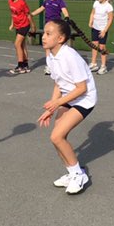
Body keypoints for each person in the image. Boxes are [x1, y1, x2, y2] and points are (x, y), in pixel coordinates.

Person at [37, 18, 97, 196]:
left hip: (84, 99)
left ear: (61, 38)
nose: (43, 37)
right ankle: (72, 172)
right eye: (44, 33)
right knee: (58, 136)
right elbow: (59, 84)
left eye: (49, 34)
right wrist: (51, 108)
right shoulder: (51, 57)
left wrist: (57, 103)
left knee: (56, 137)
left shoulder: (70, 56)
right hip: (68, 97)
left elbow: (82, 88)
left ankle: (79, 175)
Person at [30, 0, 70, 74]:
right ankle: (49, 65)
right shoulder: (47, 1)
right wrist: (31, 14)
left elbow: (65, 12)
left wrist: (66, 18)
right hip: (47, 26)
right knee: (47, 46)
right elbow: (40, 9)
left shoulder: (60, 2)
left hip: (56, 27)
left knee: (57, 46)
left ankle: (60, 64)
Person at [7, 0, 34, 75]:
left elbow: (28, 15)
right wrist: (12, 24)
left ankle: (20, 66)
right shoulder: (10, 2)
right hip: (18, 25)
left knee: (17, 44)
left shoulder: (22, 3)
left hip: (24, 25)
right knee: (22, 45)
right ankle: (26, 65)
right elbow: (13, 14)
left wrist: (33, 26)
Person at [88, 0, 114, 75]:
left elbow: (110, 19)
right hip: (95, 28)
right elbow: (92, 13)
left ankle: (103, 66)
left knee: (102, 47)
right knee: (94, 45)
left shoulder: (108, 7)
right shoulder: (95, 3)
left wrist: (104, 31)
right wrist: (90, 21)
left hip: (102, 29)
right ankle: (94, 64)